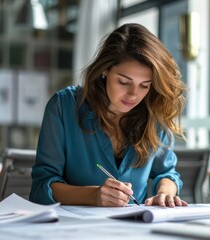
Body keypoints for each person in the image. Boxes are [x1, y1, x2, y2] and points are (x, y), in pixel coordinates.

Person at [30, 23, 188, 208]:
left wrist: (164, 193)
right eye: (123, 81)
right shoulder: (63, 106)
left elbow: (167, 174)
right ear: (105, 70)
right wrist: (93, 195)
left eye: (145, 85)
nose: (133, 95)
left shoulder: (154, 113)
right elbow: (41, 188)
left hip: (135, 229)